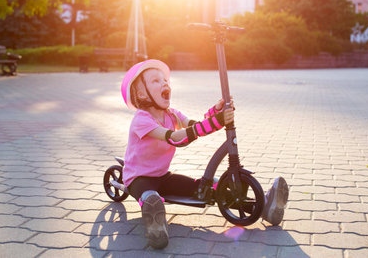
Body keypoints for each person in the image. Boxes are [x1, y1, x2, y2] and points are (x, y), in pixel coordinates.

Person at [120, 59, 288, 249]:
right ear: (141, 93)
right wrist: (215, 121)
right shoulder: (141, 120)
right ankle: (155, 225)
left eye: (165, 80)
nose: (165, 83)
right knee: (149, 195)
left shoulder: (172, 114)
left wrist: (216, 113)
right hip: (138, 178)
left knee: (207, 187)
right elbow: (175, 138)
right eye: (156, 81)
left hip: (163, 177)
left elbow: (196, 125)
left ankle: (265, 207)